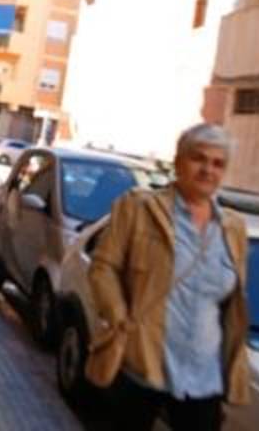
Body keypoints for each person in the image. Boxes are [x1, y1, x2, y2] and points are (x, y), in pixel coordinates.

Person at [85, 123, 249, 431]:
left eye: (218, 164)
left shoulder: (234, 228)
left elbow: (232, 303)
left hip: (203, 380)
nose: (208, 170)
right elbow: (103, 267)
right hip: (140, 367)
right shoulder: (138, 208)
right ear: (178, 162)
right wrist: (119, 316)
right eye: (198, 158)